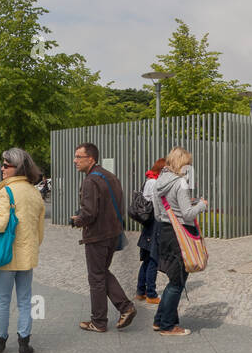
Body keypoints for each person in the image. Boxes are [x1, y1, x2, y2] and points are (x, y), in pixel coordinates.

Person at [0, 147, 47, 353]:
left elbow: (0, 223)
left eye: (6, 165)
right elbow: (40, 230)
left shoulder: (6, 192)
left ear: (16, 168)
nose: (2, 168)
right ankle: (24, 342)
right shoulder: (34, 192)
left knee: (3, 299)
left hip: (6, 256)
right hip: (27, 256)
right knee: (26, 299)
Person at [69, 141, 133, 333]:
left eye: (79, 157)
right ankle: (125, 307)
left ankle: (99, 321)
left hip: (97, 236)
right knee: (102, 272)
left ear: (91, 159)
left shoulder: (90, 181)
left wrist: (76, 220)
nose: (75, 160)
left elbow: (89, 213)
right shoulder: (111, 177)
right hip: (113, 233)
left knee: (96, 277)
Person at [144, 147, 202, 335]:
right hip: (180, 234)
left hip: (164, 231)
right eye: (188, 163)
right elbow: (187, 213)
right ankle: (168, 325)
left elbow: (158, 212)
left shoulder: (159, 181)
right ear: (181, 163)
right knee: (177, 282)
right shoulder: (180, 183)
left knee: (173, 279)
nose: (189, 167)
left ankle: (159, 320)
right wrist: (202, 205)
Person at [134, 161, 165, 303]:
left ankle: (141, 291)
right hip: (154, 223)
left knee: (147, 259)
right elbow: (157, 203)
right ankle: (151, 294)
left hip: (148, 223)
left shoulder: (149, 179)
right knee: (153, 258)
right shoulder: (154, 182)